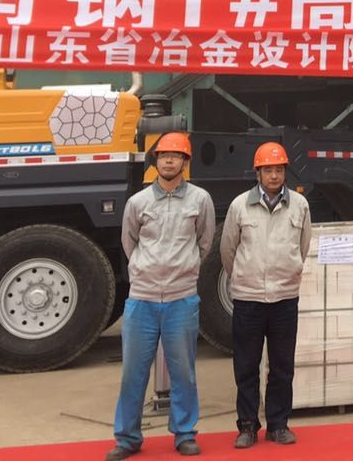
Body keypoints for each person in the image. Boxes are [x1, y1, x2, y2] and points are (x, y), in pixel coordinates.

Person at [109, 132, 216, 460]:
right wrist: (146, 270)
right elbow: (129, 242)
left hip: (181, 298)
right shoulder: (138, 203)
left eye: (176, 155)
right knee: (133, 373)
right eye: (164, 155)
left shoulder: (200, 200)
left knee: (183, 371)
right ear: (156, 161)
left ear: (185, 162)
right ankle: (127, 438)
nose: (169, 160)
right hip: (142, 299)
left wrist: (184, 269)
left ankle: (184, 433)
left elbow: (205, 242)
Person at [220, 141, 312, 448]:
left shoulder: (299, 205)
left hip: (285, 298)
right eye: (268, 170)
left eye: (279, 170)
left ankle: (278, 424)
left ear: (285, 171)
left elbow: (303, 245)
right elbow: (228, 250)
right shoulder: (239, 206)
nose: (274, 175)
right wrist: (244, 278)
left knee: (282, 366)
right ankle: (247, 426)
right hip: (249, 300)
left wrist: (289, 271)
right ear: (257, 173)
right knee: (246, 366)